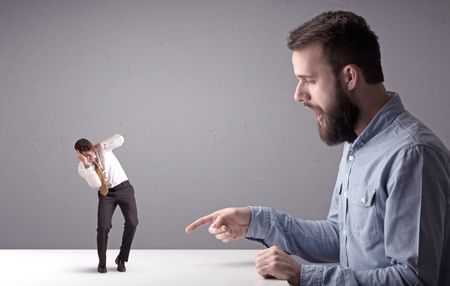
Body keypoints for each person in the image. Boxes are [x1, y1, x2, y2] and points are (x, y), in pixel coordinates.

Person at [185, 11, 450, 285]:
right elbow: (340, 236)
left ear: (349, 77)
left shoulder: (413, 155)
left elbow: (413, 279)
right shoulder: (357, 143)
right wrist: (255, 220)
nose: (298, 94)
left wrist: (303, 276)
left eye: (309, 80)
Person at [74, 134, 138, 273]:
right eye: (86, 155)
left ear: (92, 148)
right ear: (80, 155)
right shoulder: (82, 168)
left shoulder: (104, 150)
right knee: (103, 226)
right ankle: (102, 262)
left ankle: (121, 258)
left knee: (133, 223)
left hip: (124, 189)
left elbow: (121, 139)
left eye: (90, 153)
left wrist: (101, 145)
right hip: (106, 194)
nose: (90, 157)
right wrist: (87, 164)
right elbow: (96, 184)